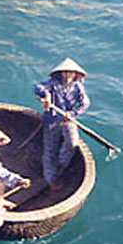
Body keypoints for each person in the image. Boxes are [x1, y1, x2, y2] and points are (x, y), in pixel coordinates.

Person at [34, 58, 90, 191]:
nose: (67, 75)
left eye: (70, 73)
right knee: (50, 150)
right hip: (52, 120)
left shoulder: (77, 87)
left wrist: (72, 113)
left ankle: (61, 163)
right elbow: (38, 87)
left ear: (75, 74)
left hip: (67, 119)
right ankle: (50, 179)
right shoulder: (53, 84)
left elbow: (85, 103)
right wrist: (46, 96)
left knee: (72, 143)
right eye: (64, 72)